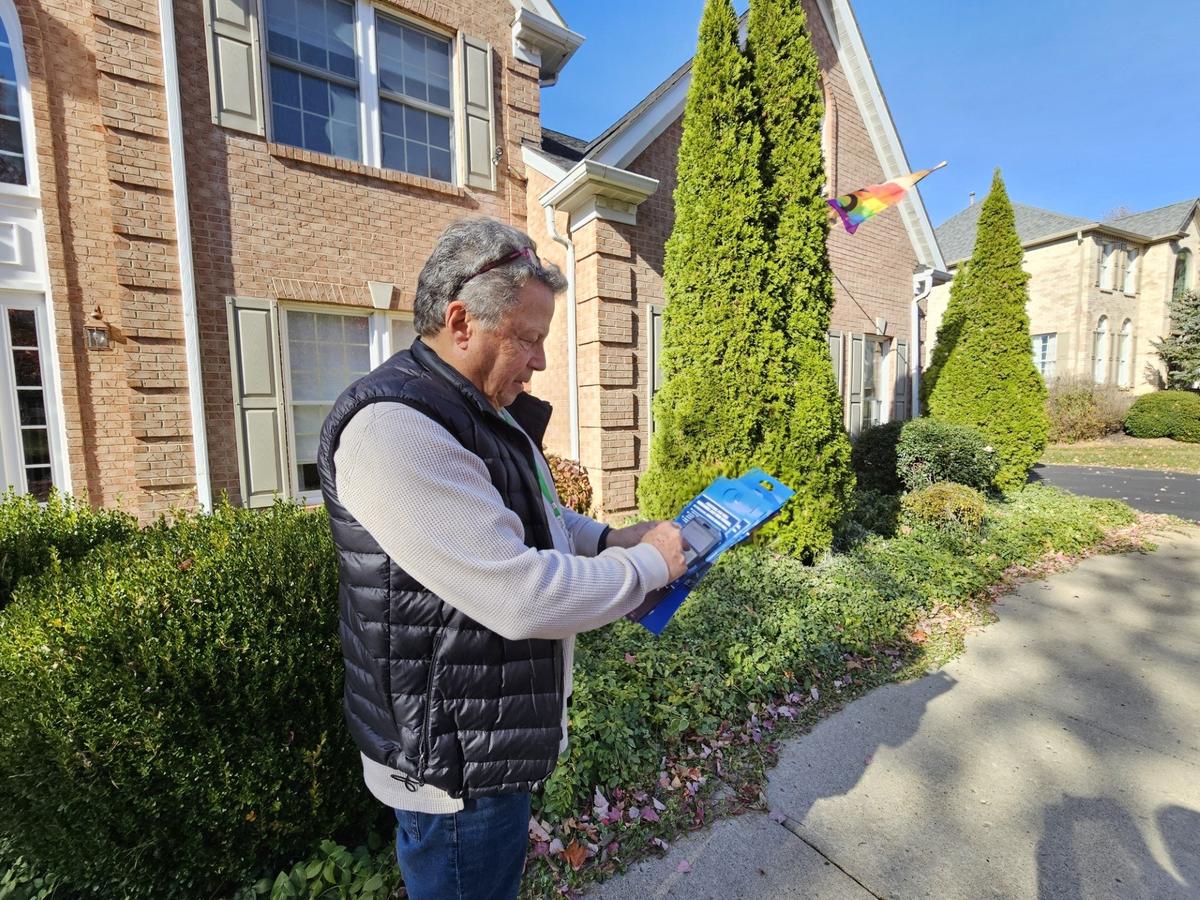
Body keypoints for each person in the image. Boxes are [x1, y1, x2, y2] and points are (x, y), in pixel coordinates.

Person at [317, 217, 688, 900]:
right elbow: (525, 596)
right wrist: (653, 567)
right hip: (455, 767)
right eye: (528, 338)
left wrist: (610, 542)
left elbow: (533, 517)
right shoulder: (396, 428)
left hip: (483, 744)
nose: (542, 361)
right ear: (461, 321)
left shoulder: (472, 407)